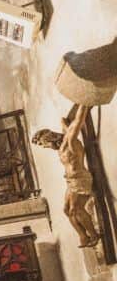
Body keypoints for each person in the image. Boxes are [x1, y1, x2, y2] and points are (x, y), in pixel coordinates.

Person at [32, 105, 101, 247]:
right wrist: (63, 123)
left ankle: (93, 235)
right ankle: (83, 236)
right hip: (71, 181)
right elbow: (64, 123)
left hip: (80, 179)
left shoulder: (69, 141)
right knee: (66, 210)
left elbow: (78, 121)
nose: (45, 147)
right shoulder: (60, 147)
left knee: (76, 209)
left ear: (49, 137)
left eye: (43, 143)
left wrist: (84, 103)